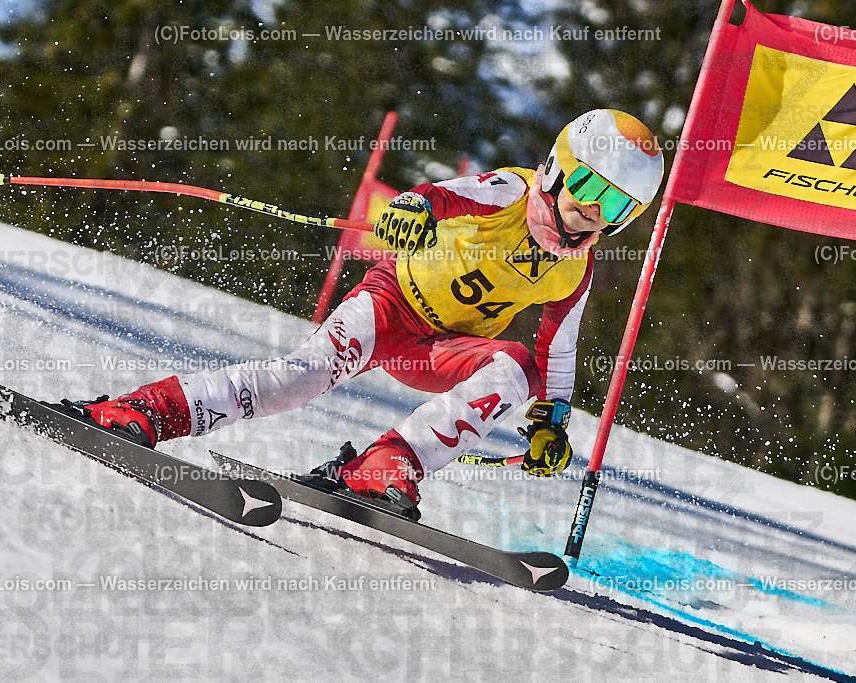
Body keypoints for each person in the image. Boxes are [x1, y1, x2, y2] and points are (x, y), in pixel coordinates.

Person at [71, 109, 664, 519]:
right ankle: (144, 411)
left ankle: (385, 466)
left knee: (516, 366)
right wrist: (410, 209)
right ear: (559, 168)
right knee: (295, 382)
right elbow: (440, 196)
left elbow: (558, 352)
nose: (592, 210)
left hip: (439, 350)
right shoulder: (512, 191)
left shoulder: (573, 271)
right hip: (389, 305)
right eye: (587, 186)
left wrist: (551, 420)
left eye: (615, 202)